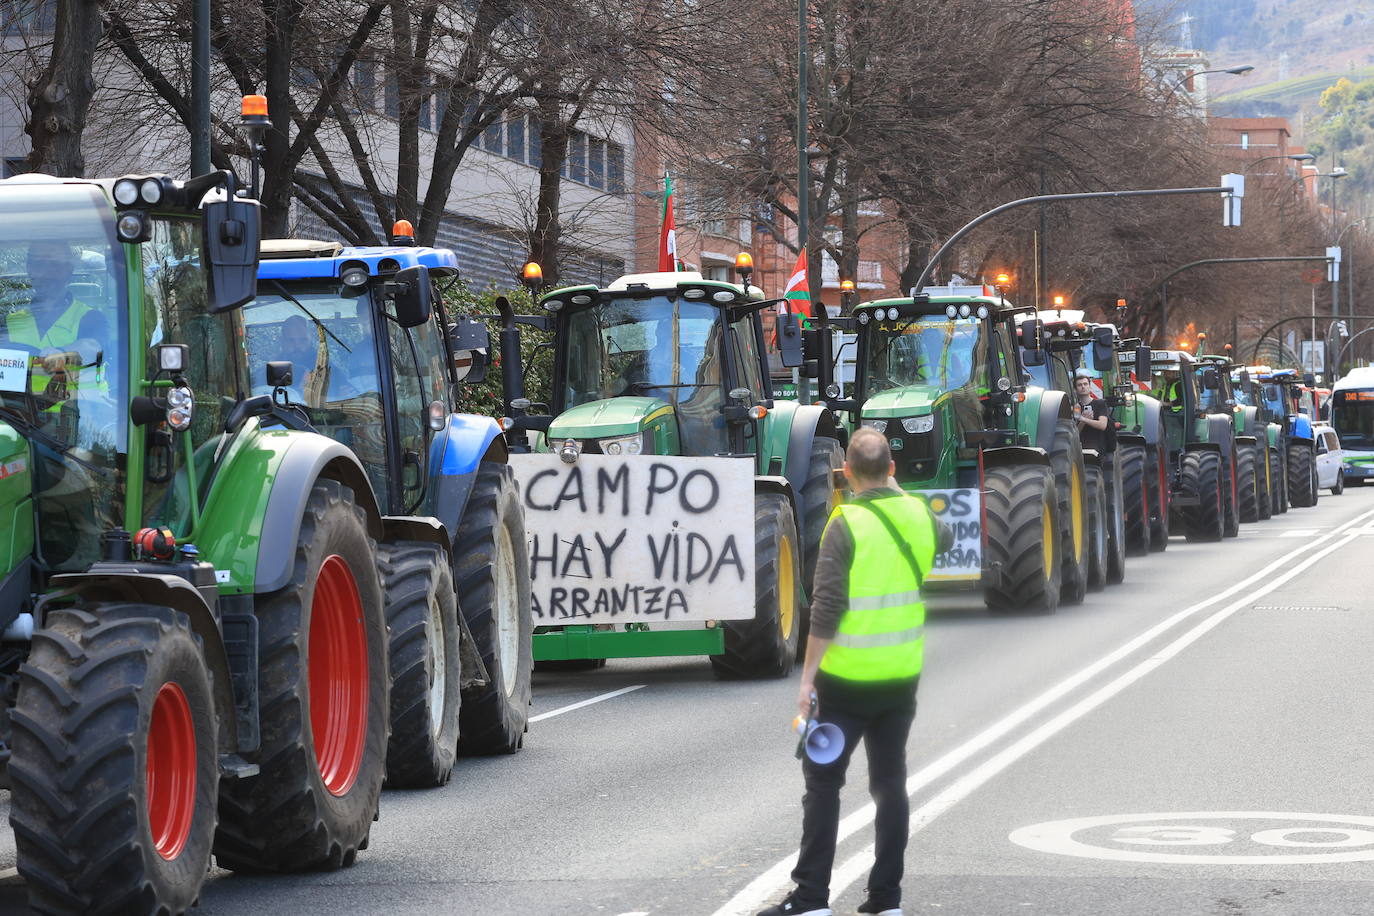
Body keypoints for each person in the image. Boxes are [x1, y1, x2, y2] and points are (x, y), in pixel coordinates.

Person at [759, 427, 953, 916]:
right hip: (899, 681)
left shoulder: (844, 524)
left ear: (846, 474)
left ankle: (811, 900)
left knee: (823, 787)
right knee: (891, 786)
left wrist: (806, 683)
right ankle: (886, 900)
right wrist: (900, 490)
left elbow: (824, 609)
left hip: (843, 686)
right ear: (892, 469)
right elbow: (945, 537)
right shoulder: (918, 516)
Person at [1073, 370, 1112, 453]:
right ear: (1075, 390)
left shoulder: (1100, 404)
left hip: (1097, 450)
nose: (1083, 387)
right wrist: (1082, 421)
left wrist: (1083, 419)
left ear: (1090, 387)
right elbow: (1075, 433)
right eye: (1079, 385)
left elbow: (1102, 425)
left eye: (1085, 384)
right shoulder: (1076, 408)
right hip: (1080, 451)